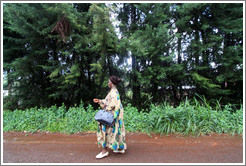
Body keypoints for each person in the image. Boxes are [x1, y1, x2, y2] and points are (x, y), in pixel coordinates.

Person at [93, 76, 127, 159]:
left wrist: (106, 108)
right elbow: (108, 101)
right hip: (114, 115)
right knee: (116, 130)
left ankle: (104, 151)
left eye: (109, 82)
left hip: (111, 115)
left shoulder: (113, 92)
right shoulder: (114, 91)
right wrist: (100, 101)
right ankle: (119, 148)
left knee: (105, 130)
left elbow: (113, 104)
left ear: (111, 83)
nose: (108, 83)